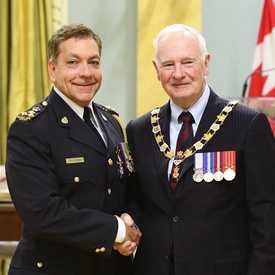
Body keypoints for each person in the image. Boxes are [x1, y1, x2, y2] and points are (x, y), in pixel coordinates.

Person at [125, 24, 275, 275]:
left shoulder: (247, 124)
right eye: (168, 64)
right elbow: (137, 201)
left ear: (206, 64)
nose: (179, 73)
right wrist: (128, 219)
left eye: (188, 62)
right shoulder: (139, 130)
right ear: (156, 70)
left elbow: (267, 218)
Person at [5, 23, 141, 275]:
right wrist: (118, 231)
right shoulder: (31, 129)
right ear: (52, 69)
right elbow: (42, 213)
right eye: (73, 62)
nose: (86, 72)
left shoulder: (111, 122)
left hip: (112, 267)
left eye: (94, 62)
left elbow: (130, 187)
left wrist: (131, 223)